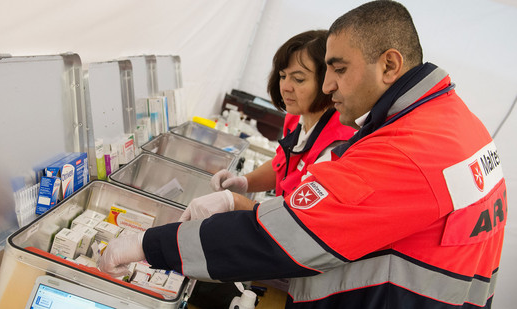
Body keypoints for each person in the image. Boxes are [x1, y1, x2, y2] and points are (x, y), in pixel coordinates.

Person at [99, 1, 507, 308]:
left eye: (339, 69)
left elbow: (284, 237)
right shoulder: (451, 121)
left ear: (389, 65)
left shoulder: (408, 150)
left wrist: (147, 246)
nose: (328, 86)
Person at [180, 30, 355, 221]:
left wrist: (235, 202)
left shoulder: (339, 145)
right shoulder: (296, 117)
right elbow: (282, 164)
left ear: (327, 81)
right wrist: (245, 182)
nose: (286, 87)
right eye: (282, 76)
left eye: (298, 79)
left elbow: (296, 219)